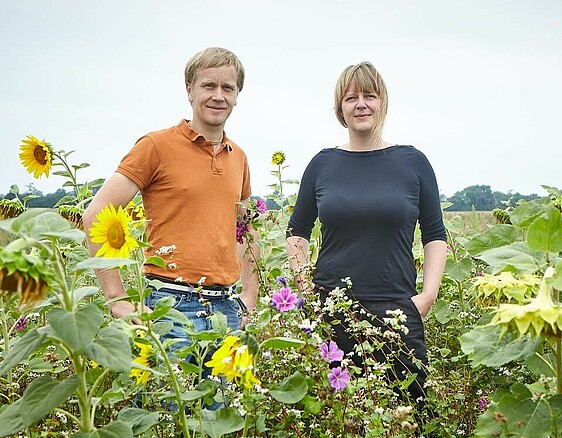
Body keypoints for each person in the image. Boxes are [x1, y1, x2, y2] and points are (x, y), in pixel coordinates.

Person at [286, 61, 447, 404]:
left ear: (382, 102)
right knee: (336, 421)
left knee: (411, 419)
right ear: (340, 108)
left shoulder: (412, 162)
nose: (361, 104)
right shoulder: (322, 164)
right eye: (351, 97)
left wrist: (427, 296)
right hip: (333, 312)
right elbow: (296, 233)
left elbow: (435, 234)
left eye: (369, 95)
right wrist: (308, 293)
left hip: (397, 312)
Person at [83, 47, 259, 355]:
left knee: (223, 404)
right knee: (166, 402)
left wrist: (249, 296)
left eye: (227, 88)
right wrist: (117, 298)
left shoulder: (239, 157)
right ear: (189, 90)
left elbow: (246, 228)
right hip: (171, 307)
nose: (218, 95)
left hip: (227, 311)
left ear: (237, 96)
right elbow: (97, 213)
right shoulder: (156, 146)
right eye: (208, 86)